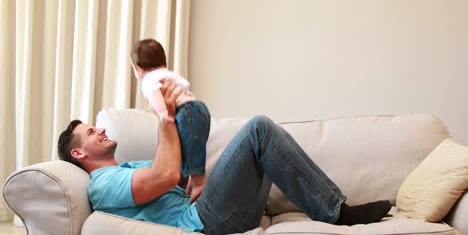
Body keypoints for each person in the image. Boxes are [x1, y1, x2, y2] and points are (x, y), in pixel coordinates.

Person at [57, 81, 392, 235]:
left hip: (208, 212)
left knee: (249, 136)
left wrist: (182, 120)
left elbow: (174, 177)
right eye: (91, 132)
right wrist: (164, 117)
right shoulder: (101, 185)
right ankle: (336, 213)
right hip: (206, 223)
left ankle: (333, 208)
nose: (100, 130)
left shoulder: (130, 167)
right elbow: (164, 176)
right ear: (79, 153)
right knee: (259, 129)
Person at [130, 38, 210, 201]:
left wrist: (163, 113)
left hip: (186, 112)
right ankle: (191, 182)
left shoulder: (149, 79)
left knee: (190, 148)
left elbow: (155, 96)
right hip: (199, 108)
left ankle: (199, 182)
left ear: (139, 69)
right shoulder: (169, 74)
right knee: (190, 148)